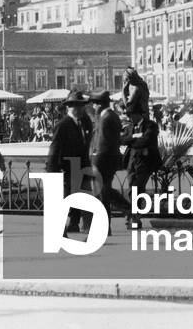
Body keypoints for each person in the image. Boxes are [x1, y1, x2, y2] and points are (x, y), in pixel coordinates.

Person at [45, 90, 93, 235]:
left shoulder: (82, 123)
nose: (78, 109)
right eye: (74, 106)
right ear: (68, 107)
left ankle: (88, 229)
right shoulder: (63, 124)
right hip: (68, 169)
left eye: (80, 106)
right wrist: (52, 172)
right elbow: (54, 149)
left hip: (81, 168)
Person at [89, 91, 131, 230]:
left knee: (103, 192)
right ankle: (127, 210)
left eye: (95, 104)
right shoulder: (106, 116)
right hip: (104, 158)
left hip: (104, 159)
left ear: (100, 104)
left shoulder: (107, 117)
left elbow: (105, 142)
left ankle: (106, 225)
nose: (94, 107)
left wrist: (96, 158)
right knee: (104, 191)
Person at [122, 101, 160, 229]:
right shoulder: (129, 127)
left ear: (139, 114)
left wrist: (132, 140)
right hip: (131, 162)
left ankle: (133, 215)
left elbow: (146, 140)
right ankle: (134, 216)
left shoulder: (151, 125)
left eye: (132, 114)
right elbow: (122, 140)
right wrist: (135, 137)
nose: (130, 117)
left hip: (145, 162)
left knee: (137, 188)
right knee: (133, 188)